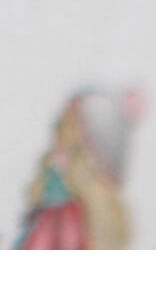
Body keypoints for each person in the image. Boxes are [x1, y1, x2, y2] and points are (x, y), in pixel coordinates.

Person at [14, 90, 143, 250]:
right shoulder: (53, 167)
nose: (60, 150)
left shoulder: (84, 209)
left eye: (72, 146)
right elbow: (36, 192)